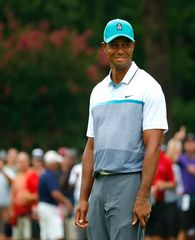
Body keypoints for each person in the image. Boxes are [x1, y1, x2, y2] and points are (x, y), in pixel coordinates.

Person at [75, 18, 168, 240]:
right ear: (104, 47)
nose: (120, 50)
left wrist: (143, 196)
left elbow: (153, 146)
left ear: (133, 45)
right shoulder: (97, 92)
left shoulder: (149, 87)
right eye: (114, 44)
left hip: (129, 182)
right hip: (99, 185)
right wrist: (83, 198)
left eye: (125, 44)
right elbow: (90, 148)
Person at [38, 150, 72, 240]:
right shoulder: (49, 175)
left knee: (46, 235)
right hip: (50, 208)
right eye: (56, 163)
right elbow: (55, 193)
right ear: (52, 163)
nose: (57, 165)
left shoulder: (45, 174)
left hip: (44, 206)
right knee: (56, 235)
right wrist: (66, 201)